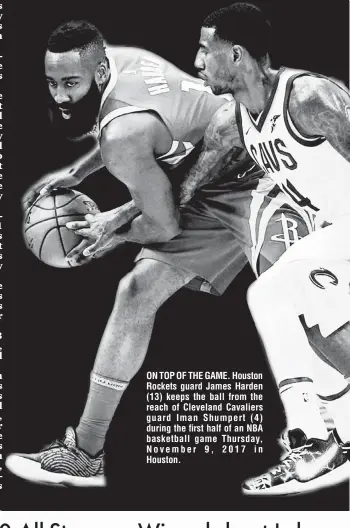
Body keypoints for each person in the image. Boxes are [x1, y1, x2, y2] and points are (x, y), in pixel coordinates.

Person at [7, 16, 340, 490]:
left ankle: (331, 432)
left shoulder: (122, 134)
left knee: (309, 313)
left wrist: (113, 232)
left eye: (70, 84)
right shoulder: (117, 62)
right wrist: (80, 174)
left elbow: (156, 210)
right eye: (52, 83)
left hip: (257, 177)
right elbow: (137, 140)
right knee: (137, 291)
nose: (60, 96)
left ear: (99, 74)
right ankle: (86, 451)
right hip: (200, 179)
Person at [163, 2, 350, 494]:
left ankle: (310, 435)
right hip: (330, 235)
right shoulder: (235, 121)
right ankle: (339, 439)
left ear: (237, 54)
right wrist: (122, 218)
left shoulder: (309, 97)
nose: (197, 61)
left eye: (206, 50)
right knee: (307, 324)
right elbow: (186, 186)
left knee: (269, 294)